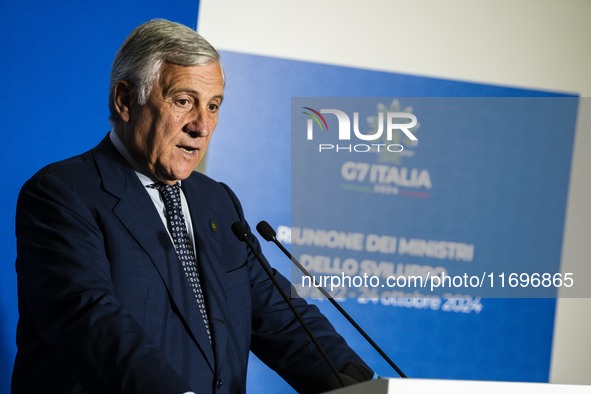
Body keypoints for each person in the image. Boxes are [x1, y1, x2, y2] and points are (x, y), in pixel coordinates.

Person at [12, 19, 373, 393]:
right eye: (183, 101)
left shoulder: (216, 201)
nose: (201, 126)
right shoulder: (63, 194)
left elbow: (282, 317)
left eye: (213, 106)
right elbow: (91, 321)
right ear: (124, 100)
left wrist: (361, 386)